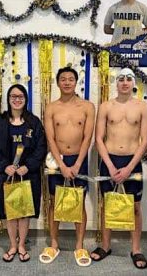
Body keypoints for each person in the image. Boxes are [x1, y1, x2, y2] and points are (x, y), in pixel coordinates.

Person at [90, 68, 147, 269]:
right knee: (108, 205)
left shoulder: (143, 107)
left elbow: (145, 141)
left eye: (128, 79)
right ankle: (105, 246)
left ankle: (136, 249)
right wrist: (110, 165)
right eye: (121, 79)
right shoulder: (106, 106)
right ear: (116, 83)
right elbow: (99, 138)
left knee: (134, 207)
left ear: (133, 83)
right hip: (109, 160)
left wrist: (129, 167)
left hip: (132, 162)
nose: (125, 83)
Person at [39, 67, 95, 267]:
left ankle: (80, 245)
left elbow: (88, 137)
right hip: (56, 159)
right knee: (55, 202)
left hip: (79, 159)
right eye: (63, 79)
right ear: (58, 82)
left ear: (76, 82)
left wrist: (78, 163)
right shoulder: (51, 107)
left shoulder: (87, 106)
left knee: (78, 202)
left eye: (71, 79)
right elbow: (50, 138)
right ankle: (54, 244)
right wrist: (61, 164)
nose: (67, 82)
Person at [0, 84, 47, 263]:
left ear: (25, 99)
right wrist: (4, 166)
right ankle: (12, 245)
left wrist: (28, 166)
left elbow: (41, 148)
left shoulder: (33, 122)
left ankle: (22, 245)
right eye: (13, 96)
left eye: (20, 96)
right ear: (8, 99)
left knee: (24, 211)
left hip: (27, 175)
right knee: (10, 212)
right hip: (6, 175)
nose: (17, 99)